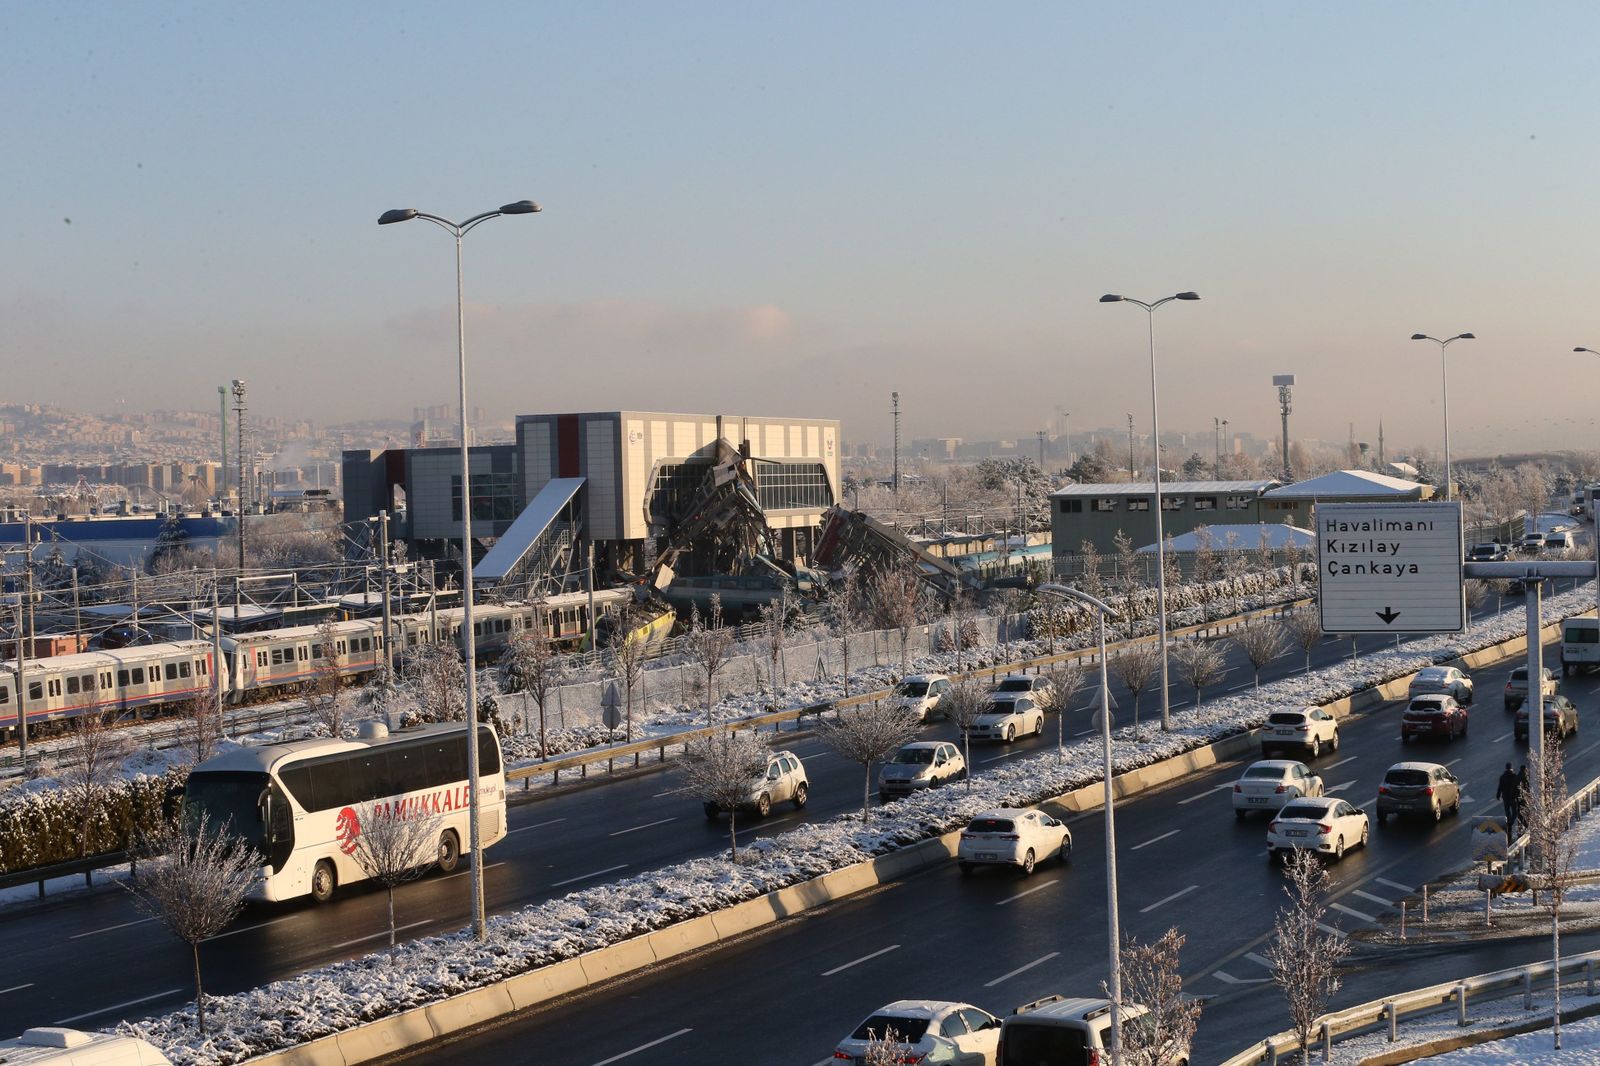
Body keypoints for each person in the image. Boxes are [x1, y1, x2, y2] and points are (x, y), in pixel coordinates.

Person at [1495, 762, 1520, 838]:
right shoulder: (1515, 776)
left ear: (1506, 768)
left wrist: (1498, 795)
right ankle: (1511, 823)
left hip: (1505, 797)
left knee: (1507, 811)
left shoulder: (1502, 777)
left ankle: (1509, 824)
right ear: (1512, 768)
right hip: (1513, 797)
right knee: (1515, 812)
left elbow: (1500, 787)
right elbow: (1518, 788)